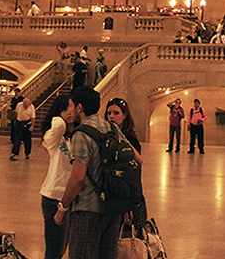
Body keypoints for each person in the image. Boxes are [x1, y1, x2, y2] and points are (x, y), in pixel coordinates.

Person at [53, 86, 123, 259]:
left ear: (79, 107)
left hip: (88, 210)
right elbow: (135, 159)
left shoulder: (82, 134)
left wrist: (63, 207)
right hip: (113, 208)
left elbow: (77, 178)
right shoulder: (112, 129)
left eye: (71, 106)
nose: (69, 110)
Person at [40, 95, 75, 259]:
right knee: (54, 249)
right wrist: (60, 117)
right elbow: (57, 126)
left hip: (69, 197)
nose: (69, 112)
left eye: (71, 108)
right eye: (65, 108)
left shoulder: (77, 137)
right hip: (53, 196)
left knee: (62, 248)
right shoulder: (55, 138)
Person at [105, 97, 146, 227]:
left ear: (125, 115)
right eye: (109, 113)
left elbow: (135, 167)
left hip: (126, 195)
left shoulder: (130, 139)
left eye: (116, 113)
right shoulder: (107, 136)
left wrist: (130, 205)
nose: (111, 116)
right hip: (110, 192)